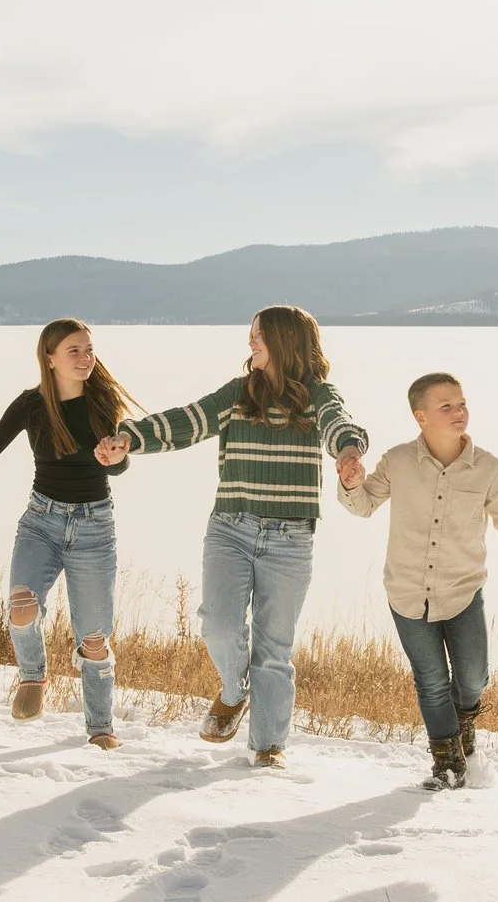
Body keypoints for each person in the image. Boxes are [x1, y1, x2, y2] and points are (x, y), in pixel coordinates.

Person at [94, 305, 366, 769]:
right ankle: (234, 692)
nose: (250, 342)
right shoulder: (239, 393)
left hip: (290, 538)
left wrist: (349, 452)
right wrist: (130, 437)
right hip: (230, 530)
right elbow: (188, 420)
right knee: (218, 625)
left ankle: (268, 748)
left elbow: (339, 422)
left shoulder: (318, 395)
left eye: (258, 335)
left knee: (274, 649)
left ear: (284, 340)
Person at [339, 372, 498, 790]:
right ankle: (447, 766)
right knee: (430, 682)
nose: (458, 412)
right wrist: (351, 483)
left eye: (461, 403)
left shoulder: (487, 468)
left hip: (463, 592)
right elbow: (363, 504)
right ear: (420, 416)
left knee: (472, 677)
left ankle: (465, 729)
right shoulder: (398, 461)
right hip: (407, 593)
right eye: (446, 406)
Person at [0, 319, 139, 748]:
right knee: (22, 608)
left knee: (94, 640)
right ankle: (34, 674)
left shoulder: (103, 400)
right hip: (41, 520)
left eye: (89, 349)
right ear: (50, 357)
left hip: (94, 525)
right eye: (74, 350)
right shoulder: (31, 404)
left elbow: (122, 461)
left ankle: (100, 727)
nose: (85, 358)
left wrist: (114, 457)